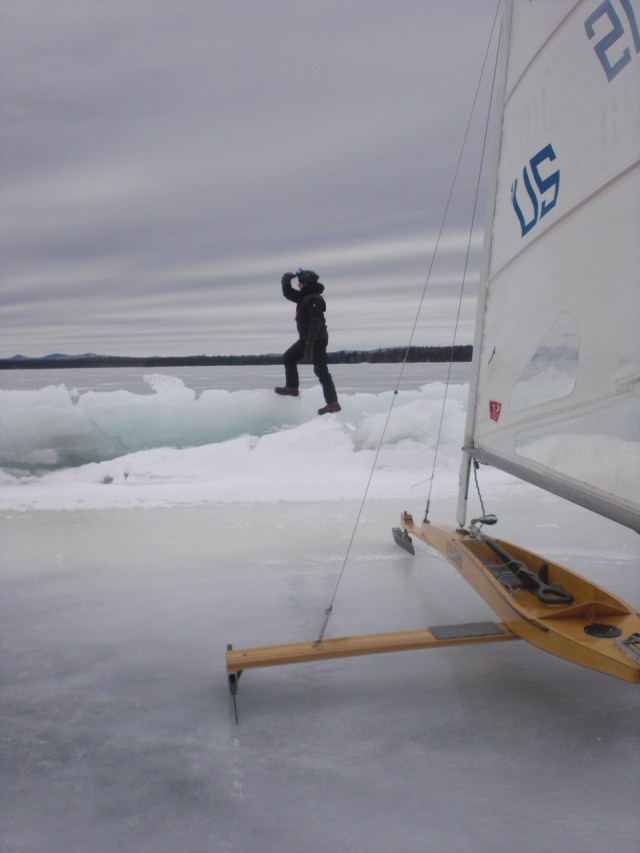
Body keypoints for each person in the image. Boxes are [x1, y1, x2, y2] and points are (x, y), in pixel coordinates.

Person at [275, 268, 341, 415]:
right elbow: (288, 293)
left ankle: (332, 403)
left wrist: (309, 343)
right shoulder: (303, 297)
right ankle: (293, 388)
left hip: (316, 339)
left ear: (306, 283)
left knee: (318, 369)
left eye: (300, 282)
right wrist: (285, 282)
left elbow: (316, 323)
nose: (298, 284)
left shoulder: (314, 299)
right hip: (308, 338)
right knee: (292, 358)